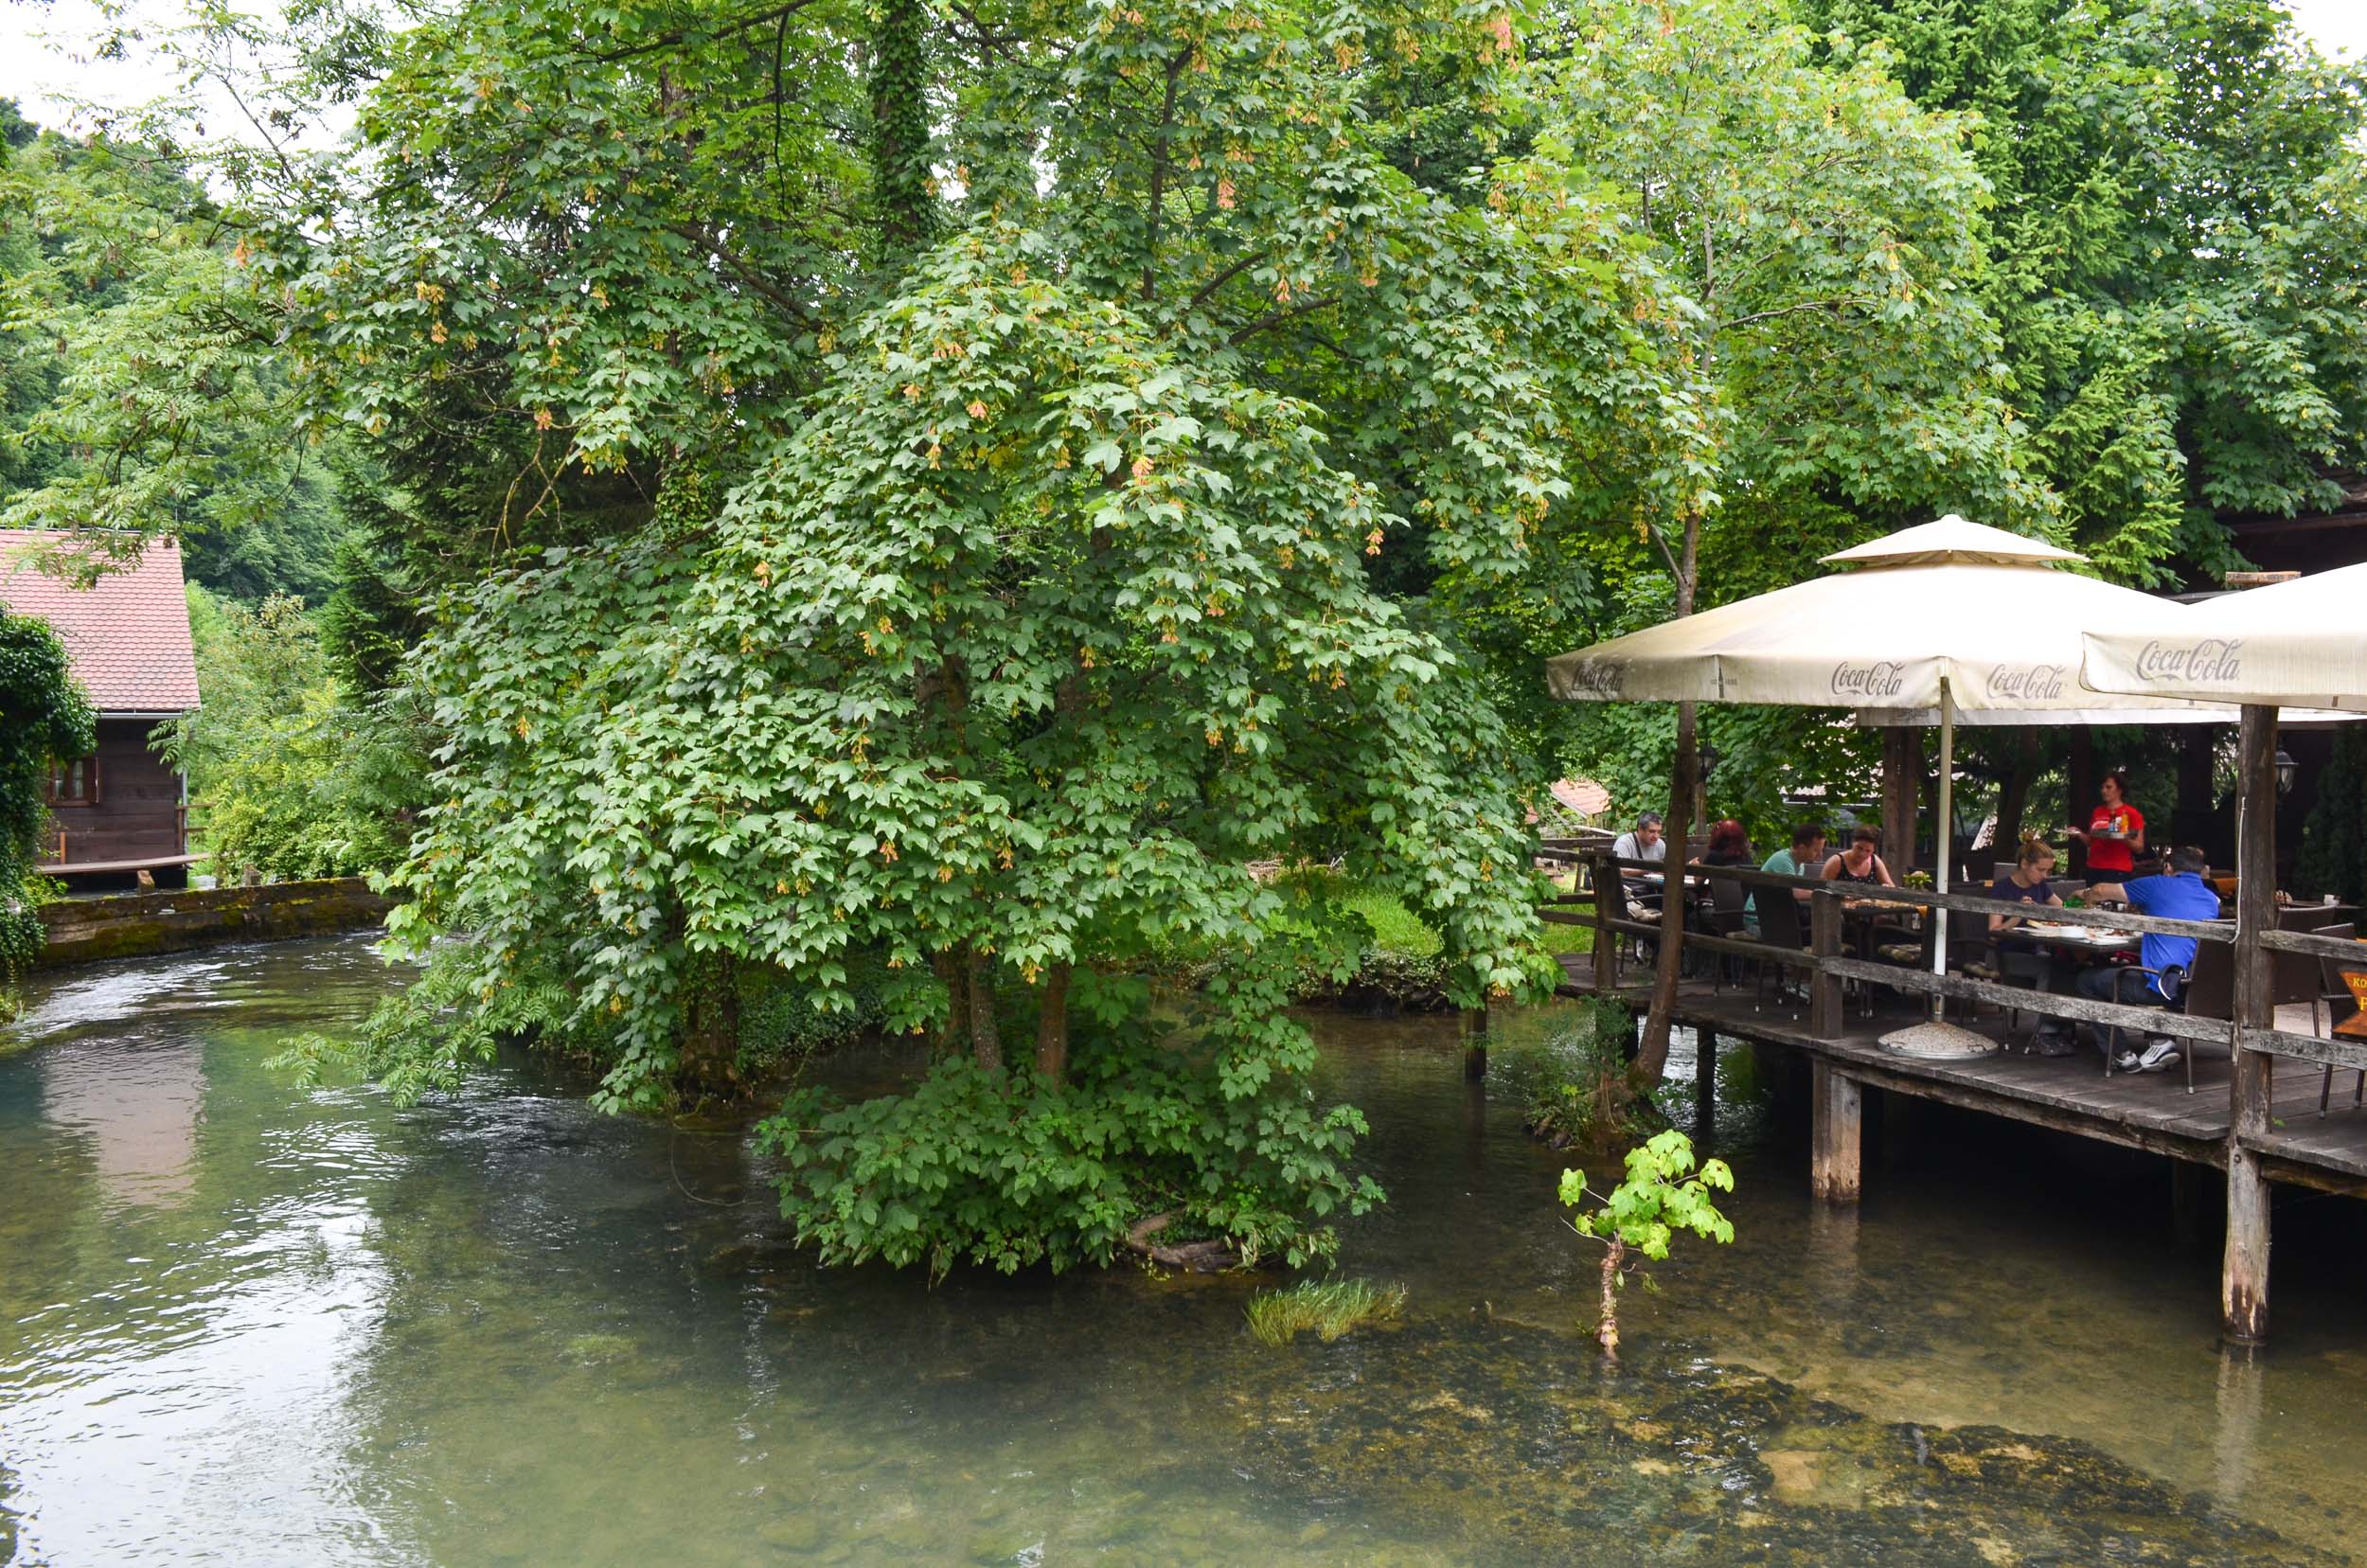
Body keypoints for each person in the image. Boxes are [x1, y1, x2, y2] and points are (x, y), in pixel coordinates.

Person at [2074, 845, 2219, 1073]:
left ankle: (2121, 1053)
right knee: (2141, 966)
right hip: (2193, 986)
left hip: (2161, 986)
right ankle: (2160, 1041)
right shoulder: (2212, 900)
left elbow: (2102, 890)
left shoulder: (2158, 884)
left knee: (2087, 981)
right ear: (2201, 871)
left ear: (2168, 868)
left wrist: (2085, 896)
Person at [1987, 837, 2070, 1055]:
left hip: (2033, 951)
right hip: (2003, 955)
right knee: (2049, 968)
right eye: (2041, 870)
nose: (2045, 876)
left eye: (2048, 871)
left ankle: (2060, 1025)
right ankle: (2044, 1033)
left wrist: (2080, 902)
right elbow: (1994, 933)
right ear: (2024, 864)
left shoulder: (2040, 886)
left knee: (2066, 965)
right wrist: (2017, 915)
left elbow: (2064, 910)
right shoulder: (2002, 889)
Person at [1747, 822, 1826, 934]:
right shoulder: (1783, 860)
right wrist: (1822, 893)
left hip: (1774, 917)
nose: (1820, 855)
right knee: (1813, 934)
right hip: (1757, 920)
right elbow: (1793, 892)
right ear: (1802, 848)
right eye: (1816, 851)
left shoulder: (1800, 864)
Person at [2067, 771, 2146, 881]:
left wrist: (2121, 837)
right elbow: (2091, 841)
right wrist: (2078, 833)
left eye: (2108, 787)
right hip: (2093, 867)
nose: (2104, 791)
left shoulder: (2131, 813)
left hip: (2117, 869)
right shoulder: (2097, 811)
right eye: (2102, 787)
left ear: (2120, 790)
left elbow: (2139, 848)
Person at [1611, 811, 1667, 913]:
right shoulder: (1625, 843)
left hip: (1654, 890)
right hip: (1630, 895)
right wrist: (1647, 870)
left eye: (1659, 832)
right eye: (1652, 831)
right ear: (1640, 829)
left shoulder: (1660, 844)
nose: (1656, 836)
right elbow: (1620, 871)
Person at [1821, 826, 1896, 888]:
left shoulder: (1875, 860)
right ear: (1852, 843)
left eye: (1868, 851)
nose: (1862, 854)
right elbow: (1822, 890)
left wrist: (1886, 887)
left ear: (1873, 850)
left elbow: (1891, 887)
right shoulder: (1837, 861)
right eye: (1859, 848)